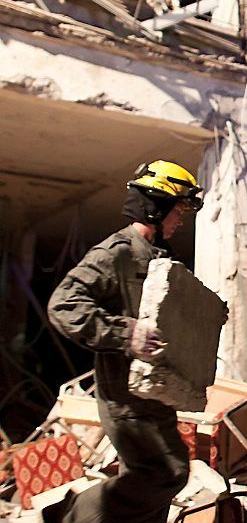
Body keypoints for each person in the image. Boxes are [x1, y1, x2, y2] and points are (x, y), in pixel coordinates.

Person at [46, 160, 204, 523]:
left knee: (162, 479)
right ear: (156, 206)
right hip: (125, 396)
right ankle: (71, 515)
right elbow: (64, 306)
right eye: (177, 209)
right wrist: (126, 333)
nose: (181, 219)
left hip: (154, 394)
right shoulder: (116, 251)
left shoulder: (159, 257)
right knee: (165, 473)